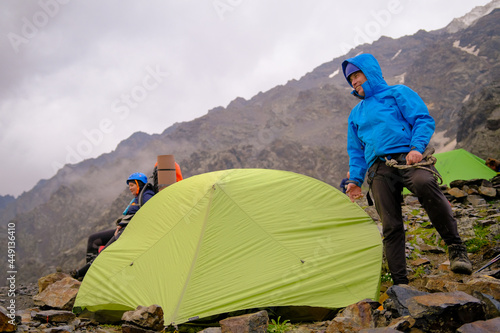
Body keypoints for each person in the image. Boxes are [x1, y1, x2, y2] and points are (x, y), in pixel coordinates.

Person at [341, 53, 472, 284]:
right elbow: (356, 152)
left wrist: (416, 147)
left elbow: (422, 119)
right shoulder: (355, 114)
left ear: (370, 72)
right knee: (390, 224)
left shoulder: (398, 93)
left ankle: (456, 248)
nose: (353, 81)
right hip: (378, 169)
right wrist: (355, 180)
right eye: (350, 78)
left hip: (408, 157)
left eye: (356, 74)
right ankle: (400, 283)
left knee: (424, 183)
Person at [70, 172, 155, 279]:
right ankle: (86, 274)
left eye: (132, 185)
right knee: (93, 240)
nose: (130, 188)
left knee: (104, 253)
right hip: (123, 229)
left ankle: (81, 274)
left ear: (139, 184)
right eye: (129, 186)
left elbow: (148, 214)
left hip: (129, 232)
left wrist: (124, 225)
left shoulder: (146, 195)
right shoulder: (139, 196)